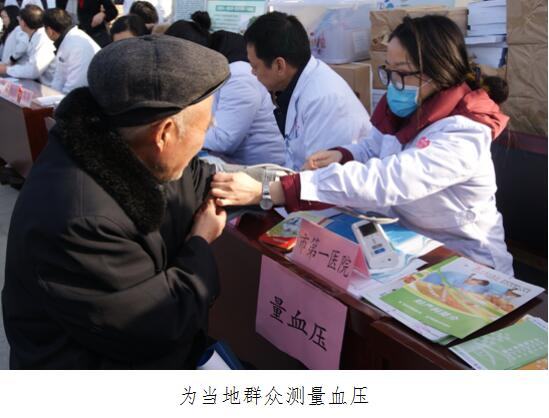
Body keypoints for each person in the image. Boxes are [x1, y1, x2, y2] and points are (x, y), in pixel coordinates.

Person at [210, 15, 514, 275]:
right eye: (388, 71)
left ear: (438, 71)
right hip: (412, 247)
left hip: (467, 262)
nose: (392, 83)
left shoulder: (463, 133)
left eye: (400, 73)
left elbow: (388, 179)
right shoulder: (411, 107)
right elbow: (374, 146)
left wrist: (276, 190)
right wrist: (344, 154)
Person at [1, 35, 230, 369]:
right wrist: (201, 242)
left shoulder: (125, 143)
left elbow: (195, 177)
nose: (206, 134)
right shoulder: (81, 218)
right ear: (164, 133)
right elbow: (157, 323)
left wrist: (262, 189)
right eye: (205, 127)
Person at [243, 11, 372, 170]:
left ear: (279, 65)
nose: (253, 72)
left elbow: (322, 176)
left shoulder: (323, 99)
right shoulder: (297, 85)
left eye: (255, 66)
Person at [165, 12, 285, 166]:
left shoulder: (239, 77)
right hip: (235, 164)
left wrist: (176, 135)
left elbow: (224, 139)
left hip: (259, 169)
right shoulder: (219, 71)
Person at [44, 8, 100, 93]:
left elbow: (74, 88)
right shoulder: (69, 39)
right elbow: (59, 78)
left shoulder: (76, 44)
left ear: (50, 31)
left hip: (89, 95)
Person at [0, 4, 55, 84]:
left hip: (50, 86)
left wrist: (6, 69)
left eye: (19, 19)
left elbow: (33, 70)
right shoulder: (35, 36)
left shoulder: (43, 39)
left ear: (23, 23)